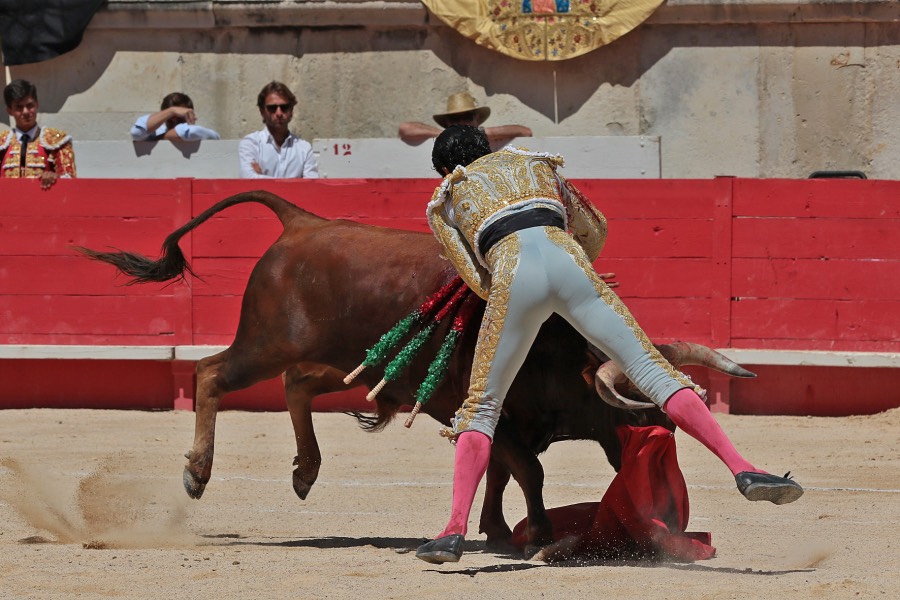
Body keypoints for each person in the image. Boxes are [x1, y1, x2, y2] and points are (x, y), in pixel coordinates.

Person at [415, 125, 804, 564]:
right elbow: (594, 227)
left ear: (447, 168)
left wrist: (520, 296)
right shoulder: (535, 162)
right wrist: (572, 276)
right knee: (655, 372)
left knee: (481, 407)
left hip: (511, 273)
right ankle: (743, 468)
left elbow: (476, 278)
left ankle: (452, 532)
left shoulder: (446, 195)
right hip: (569, 261)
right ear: (488, 148)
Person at [1, 79, 76, 190]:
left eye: (30, 105)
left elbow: (70, 180)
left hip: (44, 205)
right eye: (19, 107)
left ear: (37, 105)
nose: (26, 111)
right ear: (9, 111)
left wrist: (55, 178)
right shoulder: (2, 144)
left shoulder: (57, 141)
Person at [238, 81, 319, 179]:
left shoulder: (304, 149)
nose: (279, 113)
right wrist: (296, 183)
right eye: (272, 108)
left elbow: (311, 186)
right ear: (262, 111)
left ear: (291, 110)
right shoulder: (250, 144)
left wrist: (260, 177)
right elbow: (248, 178)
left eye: (284, 107)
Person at [398, 91, 532, 147]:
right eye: (455, 119)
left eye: (467, 117)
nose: (462, 122)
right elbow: (405, 129)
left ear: (477, 119)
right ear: (447, 123)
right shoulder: (444, 136)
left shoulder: (481, 135)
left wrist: (479, 134)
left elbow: (525, 132)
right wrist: (449, 134)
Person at [130, 92, 220, 142]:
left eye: (180, 117)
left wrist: (159, 138)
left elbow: (193, 132)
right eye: (170, 118)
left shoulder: (205, 133)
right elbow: (136, 133)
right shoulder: (156, 131)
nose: (175, 122)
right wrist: (171, 111)